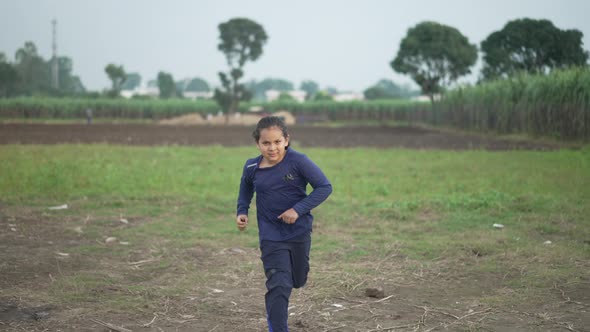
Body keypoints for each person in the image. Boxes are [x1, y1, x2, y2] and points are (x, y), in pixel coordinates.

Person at [236, 116, 332, 332]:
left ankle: (295, 277)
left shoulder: (299, 162)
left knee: (297, 279)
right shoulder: (251, 166)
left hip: (299, 232)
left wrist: (297, 210)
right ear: (257, 144)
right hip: (271, 235)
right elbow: (246, 187)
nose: (272, 148)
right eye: (266, 143)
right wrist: (242, 210)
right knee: (279, 284)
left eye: (277, 142)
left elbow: (324, 187)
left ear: (286, 140)